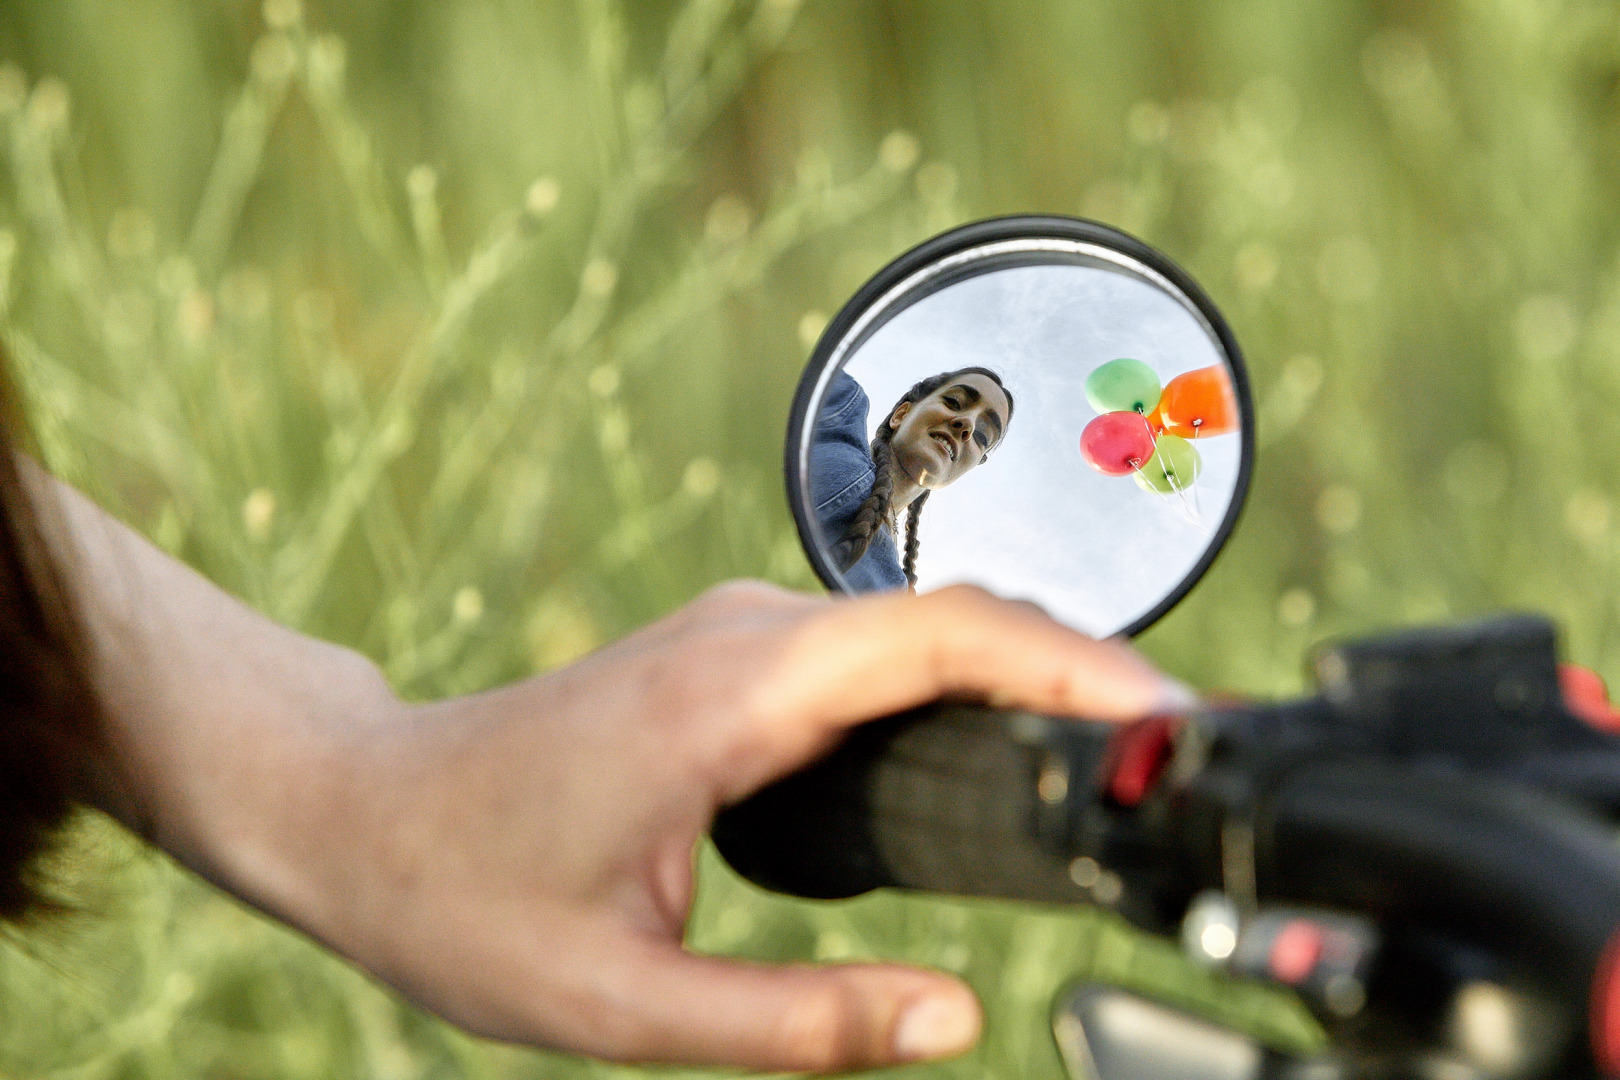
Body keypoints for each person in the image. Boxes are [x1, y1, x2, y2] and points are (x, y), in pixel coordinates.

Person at [0, 357, 1189, 1072]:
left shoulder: (896, 562)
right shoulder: (847, 441)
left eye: (981, 433)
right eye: (957, 400)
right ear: (904, 399)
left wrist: (350, 790)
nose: (961, 428)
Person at [811, 367, 1013, 592]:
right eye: (954, 402)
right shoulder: (841, 409)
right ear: (901, 415)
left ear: (971, 465)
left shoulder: (897, 591)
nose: (968, 424)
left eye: (982, 435)